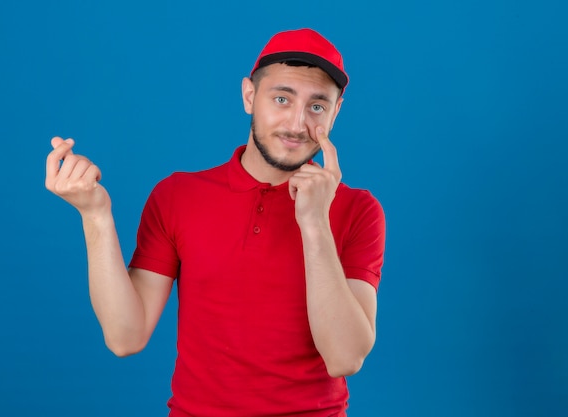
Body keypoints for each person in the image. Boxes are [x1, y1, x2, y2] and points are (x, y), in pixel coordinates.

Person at [45, 28, 386, 417]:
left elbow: (345, 358)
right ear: (248, 96)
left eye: (317, 107)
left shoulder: (358, 210)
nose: (297, 123)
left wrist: (314, 223)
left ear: (336, 112)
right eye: (281, 99)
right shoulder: (178, 195)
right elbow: (125, 336)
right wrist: (95, 215)